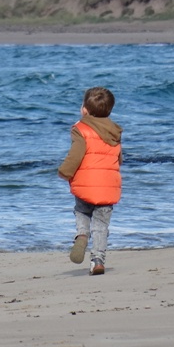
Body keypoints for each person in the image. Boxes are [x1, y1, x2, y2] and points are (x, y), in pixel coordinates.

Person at [57, 86, 123, 275]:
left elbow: (75, 155)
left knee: (82, 211)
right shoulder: (115, 131)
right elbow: (119, 158)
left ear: (85, 109)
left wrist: (65, 172)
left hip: (86, 184)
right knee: (101, 225)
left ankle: (82, 234)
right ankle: (98, 260)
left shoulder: (81, 129)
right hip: (107, 186)